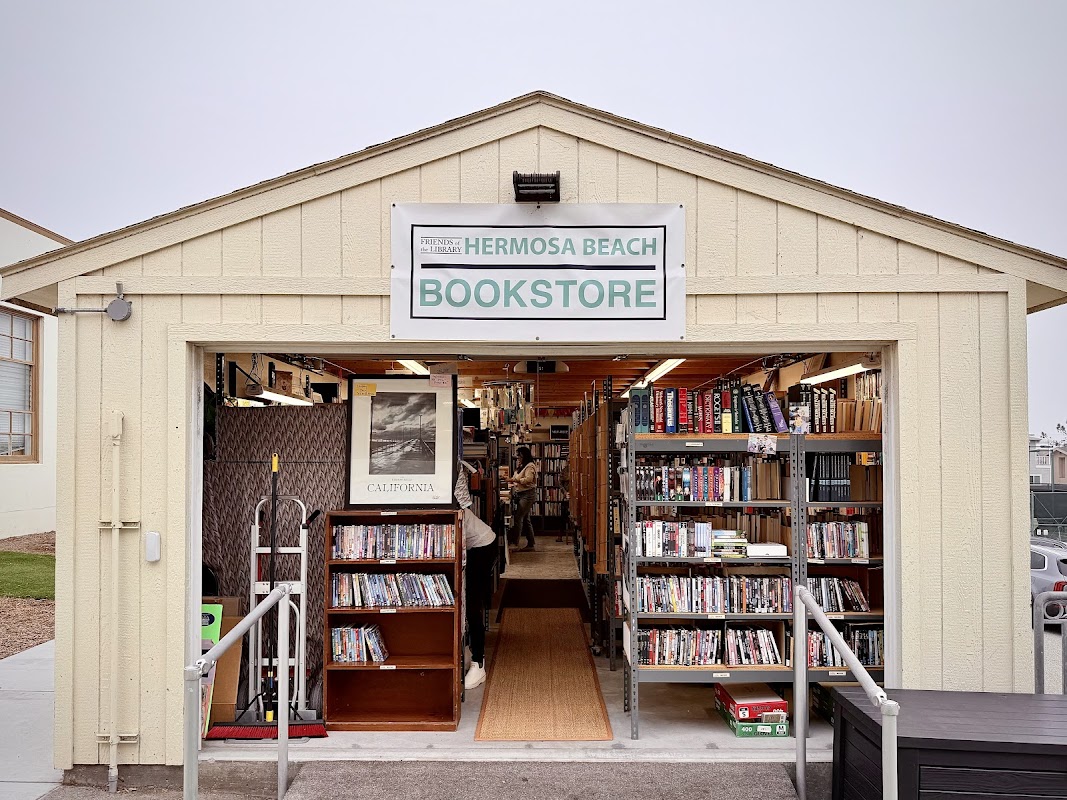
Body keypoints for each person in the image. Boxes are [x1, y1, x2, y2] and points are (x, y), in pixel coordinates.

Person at [455, 460, 497, 690]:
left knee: (472, 603)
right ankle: (471, 650)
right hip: (472, 546)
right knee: (465, 601)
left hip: (482, 545)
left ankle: (478, 662)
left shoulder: (453, 484)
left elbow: (462, 506)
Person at [508, 446, 538, 551]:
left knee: (518, 518)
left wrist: (514, 479)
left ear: (524, 456)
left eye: (519, 456)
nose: (518, 458)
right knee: (525, 519)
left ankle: (515, 543)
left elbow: (529, 479)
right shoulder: (522, 466)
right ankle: (531, 543)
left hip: (527, 494)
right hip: (521, 493)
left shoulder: (530, 466)